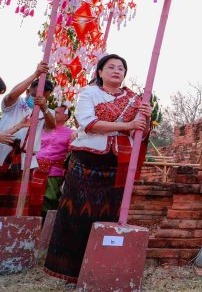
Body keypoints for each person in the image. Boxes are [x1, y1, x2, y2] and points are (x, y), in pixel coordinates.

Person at [44, 54, 151, 284]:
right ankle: (70, 272)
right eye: (110, 67)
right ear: (100, 72)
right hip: (86, 162)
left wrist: (144, 122)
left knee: (110, 216)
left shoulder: (135, 100)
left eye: (121, 68)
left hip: (117, 164)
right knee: (76, 216)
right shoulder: (88, 93)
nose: (116, 71)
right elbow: (88, 124)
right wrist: (127, 125)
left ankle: (101, 266)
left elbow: (138, 134)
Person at [0, 62, 55, 215]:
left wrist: (43, 107)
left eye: (44, 96)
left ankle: (10, 234)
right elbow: (11, 95)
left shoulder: (47, 111)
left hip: (25, 161)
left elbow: (52, 126)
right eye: (35, 93)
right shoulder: (16, 103)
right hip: (3, 154)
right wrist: (35, 75)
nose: (38, 97)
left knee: (16, 205)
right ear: (28, 91)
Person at [36, 106, 76, 215]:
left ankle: (46, 227)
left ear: (66, 116)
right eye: (54, 111)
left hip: (53, 172)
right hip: (35, 168)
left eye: (57, 112)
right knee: (31, 198)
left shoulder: (71, 133)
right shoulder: (41, 128)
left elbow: (73, 152)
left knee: (49, 200)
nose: (54, 113)